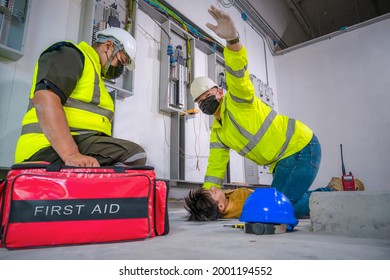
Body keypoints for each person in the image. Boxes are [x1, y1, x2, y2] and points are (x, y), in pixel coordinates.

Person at [185, 5, 335, 220]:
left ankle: (335, 194)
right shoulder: (219, 132)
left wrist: (233, 41)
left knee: (279, 207)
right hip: (282, 163)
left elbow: (237, 74)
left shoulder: (238, 99)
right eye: (199, 101)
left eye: (206, 96)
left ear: (219, 91)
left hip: (300, 148)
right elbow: (215, 167)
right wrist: (204, 200)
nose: (203, 102)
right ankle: (334, 194)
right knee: (283, 203)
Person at [14, 27, 147, 167]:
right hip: (44, 147)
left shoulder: (96, 77)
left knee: (130, 158)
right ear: (108, 46)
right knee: (133, 154)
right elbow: (46, 98)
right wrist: (71, 155)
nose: (119, 68)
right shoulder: (71, 54)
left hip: (78, 143)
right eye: (120, 61)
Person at [185, 186, 253, 221]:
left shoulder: (223, 201)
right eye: (214, 191)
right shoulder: (242, 205)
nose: (213, 187)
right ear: (221, 206)